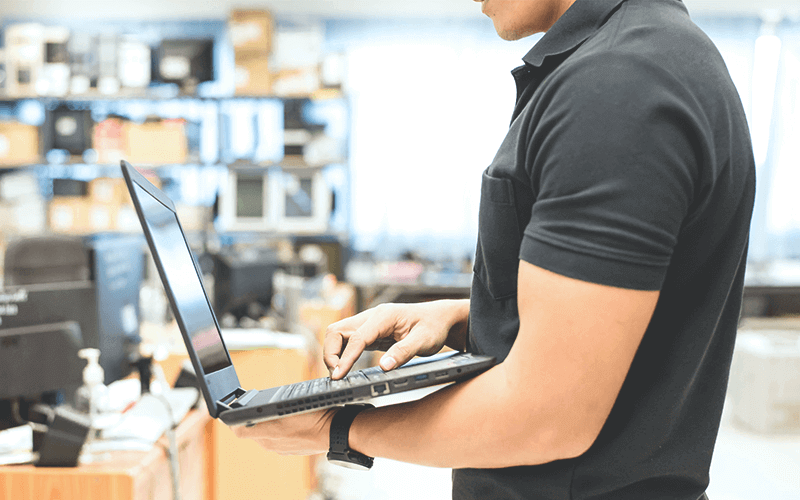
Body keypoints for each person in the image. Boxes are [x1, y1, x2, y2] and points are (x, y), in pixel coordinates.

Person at [234, 0, 756, 498]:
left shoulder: (619, 84)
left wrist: (342, 427)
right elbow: (623, 326)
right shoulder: (660, 52)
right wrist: (463, 317)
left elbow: (548, 415)